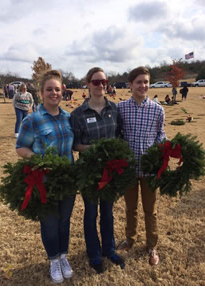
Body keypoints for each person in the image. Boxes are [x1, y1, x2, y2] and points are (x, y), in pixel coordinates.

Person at [15, 70, 75, 283]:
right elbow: (21, 147)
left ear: (62, 92)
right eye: (49, 89)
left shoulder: (69, 117)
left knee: (65, 221)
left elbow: (74, 145)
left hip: (67, 180)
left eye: (57, 89)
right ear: (41, 93)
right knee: (49, 223)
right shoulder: (32, 120)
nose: (54, 93)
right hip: (45, 181)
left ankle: (64, 256)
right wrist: (39, 160)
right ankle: (53, 259)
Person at [70, 67, 124, 274]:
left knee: (108, 213)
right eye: (96, 82)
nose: (100, 85)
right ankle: (93, 253)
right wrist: (95, 149)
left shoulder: (115, 109)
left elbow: (120, 137)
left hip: (110, 172)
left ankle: (109, 249)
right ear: (88, 84)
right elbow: (75, 144)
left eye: (103, 81)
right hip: (90, 172)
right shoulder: (78, 114)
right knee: (91, 213)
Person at [117, 66, 167, 266]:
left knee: (150, 210)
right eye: (139, 82)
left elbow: (160, 134)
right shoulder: (121, 108)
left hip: (149, 169)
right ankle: (130, 239)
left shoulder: (157, 109)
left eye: (146, 82)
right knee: (130, 208)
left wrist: (164, 147)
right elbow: (118, 135)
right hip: (128, 169)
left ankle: (151, 244)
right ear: (130, 85)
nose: (143, 85)